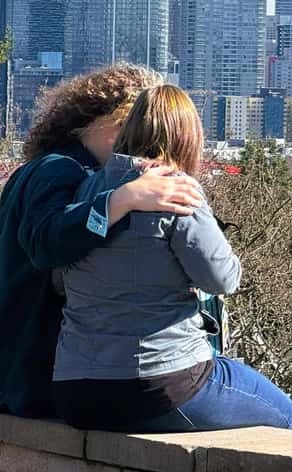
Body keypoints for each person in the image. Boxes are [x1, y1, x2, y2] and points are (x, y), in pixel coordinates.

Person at [50, 85, 292, 432]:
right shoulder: (176, 190)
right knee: (282, 413)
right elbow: (222, 279)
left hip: (76, 390)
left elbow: (61, 278)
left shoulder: (86, 190)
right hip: (158, 383)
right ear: (186, 138)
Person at [0, 64, 204, 418]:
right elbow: (46, 242)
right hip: (36, 371)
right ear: (106, 122)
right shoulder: (62, 170)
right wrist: (122, 200)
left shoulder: (44, 168)